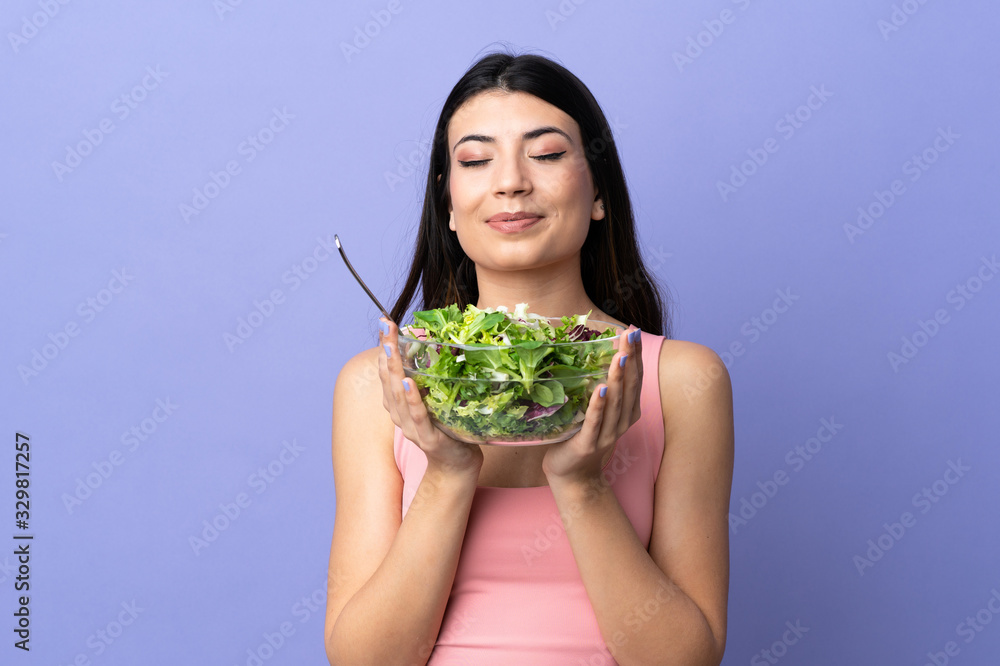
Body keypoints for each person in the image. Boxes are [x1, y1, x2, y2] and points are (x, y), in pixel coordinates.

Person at [324, 50, 734, 665]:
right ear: (448, 206)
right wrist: (447, 472)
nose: (511, 180)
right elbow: (366, 660)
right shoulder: (375, 387)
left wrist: (581, 484)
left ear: (599, 193)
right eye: (475, 159)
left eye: (545, 154)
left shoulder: (682, 380)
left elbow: (683, 660)